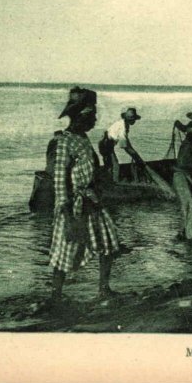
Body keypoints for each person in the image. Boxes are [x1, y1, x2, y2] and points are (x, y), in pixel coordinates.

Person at [47, 87, 121, 306]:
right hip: (73, 205)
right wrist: (67, 214)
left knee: (108, 242)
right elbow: (60, 181)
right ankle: (55, 296)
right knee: (65, 251)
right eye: (92, 115)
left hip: (91, 199)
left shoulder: (83, 138)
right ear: (80, 116)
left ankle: (104, 290)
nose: (95, 119)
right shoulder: (65, 142)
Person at [99, 107, 144, 182]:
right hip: (106, 144)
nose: (134, 121)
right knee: (115, 165)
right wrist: (136, 157)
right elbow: (124, 145)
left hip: (106, 143)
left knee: (110, 165)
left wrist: (134, 153)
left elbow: (127, 142)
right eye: (132, 119)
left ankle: (111, 181)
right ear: (128, 119)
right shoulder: (122, 127)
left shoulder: (124, 124)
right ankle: (115, 183)